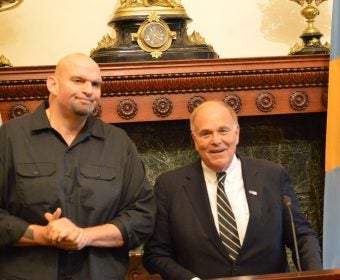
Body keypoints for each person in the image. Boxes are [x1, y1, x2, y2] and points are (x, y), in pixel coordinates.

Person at [0, 53, 156, 280]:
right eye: (78, 81)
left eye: (96, 84)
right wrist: (44, 235)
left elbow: (143, 217)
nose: (89, 90)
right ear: (52, 84)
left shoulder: (118, 143)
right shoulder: (9, 138)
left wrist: (84, 236)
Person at [143, 100, 322, 280]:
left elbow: (302, 237)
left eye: (223, 130)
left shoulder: (272, 176)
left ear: (237, 134)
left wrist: (314, 276)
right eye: (206, 133)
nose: (216, 140)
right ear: (195, 140)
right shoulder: (170, 186)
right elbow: (156, 254)